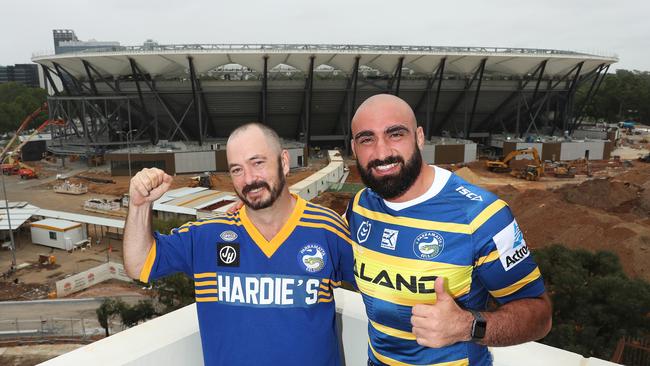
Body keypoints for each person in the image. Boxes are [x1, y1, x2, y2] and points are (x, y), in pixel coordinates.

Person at [123, 123, 355, 366]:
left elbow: (379, 288)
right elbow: (139, 264)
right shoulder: (207, 236)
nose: (249, 179)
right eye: (237, 170)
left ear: (284, 162)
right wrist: (139, 205)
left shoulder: (326, 229)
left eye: (258, 163)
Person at [345, 94, 552, 365]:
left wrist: (467, 326)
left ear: (419, 137)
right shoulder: (359, 207)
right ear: (354, 147)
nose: (382, 152)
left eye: (395, 134)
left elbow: (540, 315)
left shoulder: (482, 216)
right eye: (367, 139)